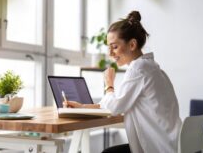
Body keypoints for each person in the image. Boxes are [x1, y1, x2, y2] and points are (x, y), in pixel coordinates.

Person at [64, 11, 182, 153]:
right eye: (109, 47)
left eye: (114, 47)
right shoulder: (150, 67)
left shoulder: (138, 69)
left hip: (158, 148)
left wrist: (109, 84)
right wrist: (82, 107)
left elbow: (114, 107)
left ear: (132, 44)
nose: (110, 53)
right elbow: (118, 102)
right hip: (170, 144)